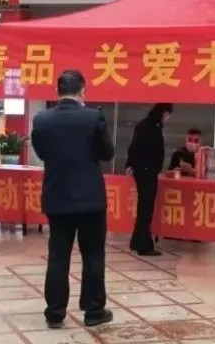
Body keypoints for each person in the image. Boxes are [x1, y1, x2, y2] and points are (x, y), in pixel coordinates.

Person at [31, 70, 115, 329]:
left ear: (57, 91)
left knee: (58, 255)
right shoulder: (93, 117)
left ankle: (55, 313)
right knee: (93, 255)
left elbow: (41, 153)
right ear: (83, 91)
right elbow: (107, 153)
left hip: (57, 197)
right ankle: (94, 311)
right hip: (90, 200)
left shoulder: (42, 120)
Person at [125, 103, 172, 256]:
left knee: (143, 208)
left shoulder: (147, 125)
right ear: (162, 113)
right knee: (146, 209)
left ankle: (136, 240)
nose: (168, 119)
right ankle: (144, 246)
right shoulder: (149, 128)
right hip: (146, 171)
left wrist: (130, 164)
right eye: (167, 115)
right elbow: (136, 147)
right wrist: (131, 163)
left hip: (145, 171)